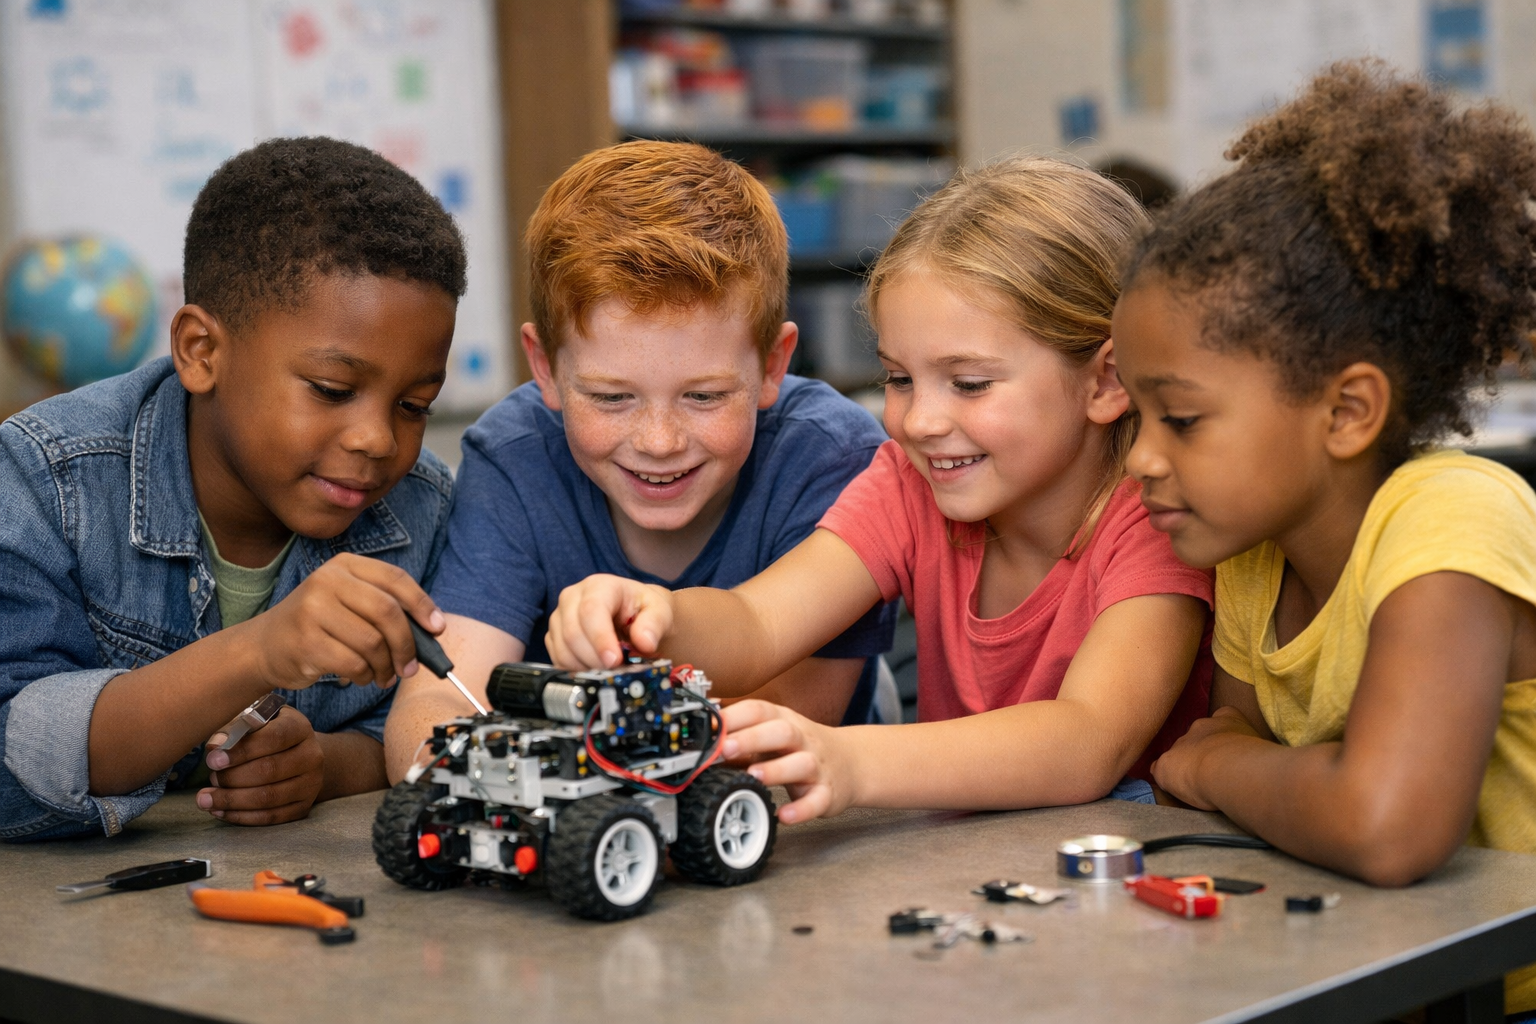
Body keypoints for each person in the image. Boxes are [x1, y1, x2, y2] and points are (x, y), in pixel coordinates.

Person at [546, 156, 1215, 824]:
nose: (919, 421)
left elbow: (1088, 741)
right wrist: (654, 616)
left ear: (1104, 382)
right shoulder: (910, 483)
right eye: (899, 379)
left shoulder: (1158, 519)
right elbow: (756, 623)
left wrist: (853, 762)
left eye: (970, 383)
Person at [1111, 62, 1536, 1013]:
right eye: (1134, 416)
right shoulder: (1252, 557)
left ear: (1346, 411)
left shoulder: (1452, 517)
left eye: (1179, 419)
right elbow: (1243, 786)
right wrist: (1256, 772)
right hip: (1388, 972)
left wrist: (1226, 763)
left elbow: (1381, 826)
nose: (1138, 458)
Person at [383, 141, 894, 781]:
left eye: (705, 397)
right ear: (545, 367)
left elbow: (790, 718)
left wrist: (557, 765)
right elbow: (437, 698)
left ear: (771, 366)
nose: (659, 441)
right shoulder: (513, 458)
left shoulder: (832, 457)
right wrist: (458, 780)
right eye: (611, 397)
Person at [0, 137, 465, 840]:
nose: (378, 440)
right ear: (201, 352)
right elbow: (11, 758)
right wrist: (258, 652)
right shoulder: (47, 479)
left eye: (414, 405)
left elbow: (411, 722)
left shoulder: (423, 508)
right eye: (333, 389)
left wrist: (325, 768)